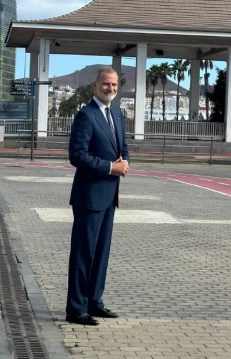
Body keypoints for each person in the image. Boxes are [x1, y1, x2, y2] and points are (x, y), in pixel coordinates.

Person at [65, 66, 130, 326]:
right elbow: (77, 155)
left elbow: (122, 146)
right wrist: (109, 167)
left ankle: (95, 301)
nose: (110, 89)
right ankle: (76, 308)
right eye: (105, 84)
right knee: (83, 253)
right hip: (89, 196)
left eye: (114, 85)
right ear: (95, 86)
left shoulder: (116, 113)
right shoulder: (86, 115)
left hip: (110, 194)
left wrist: (124, 162)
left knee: (101, 253)